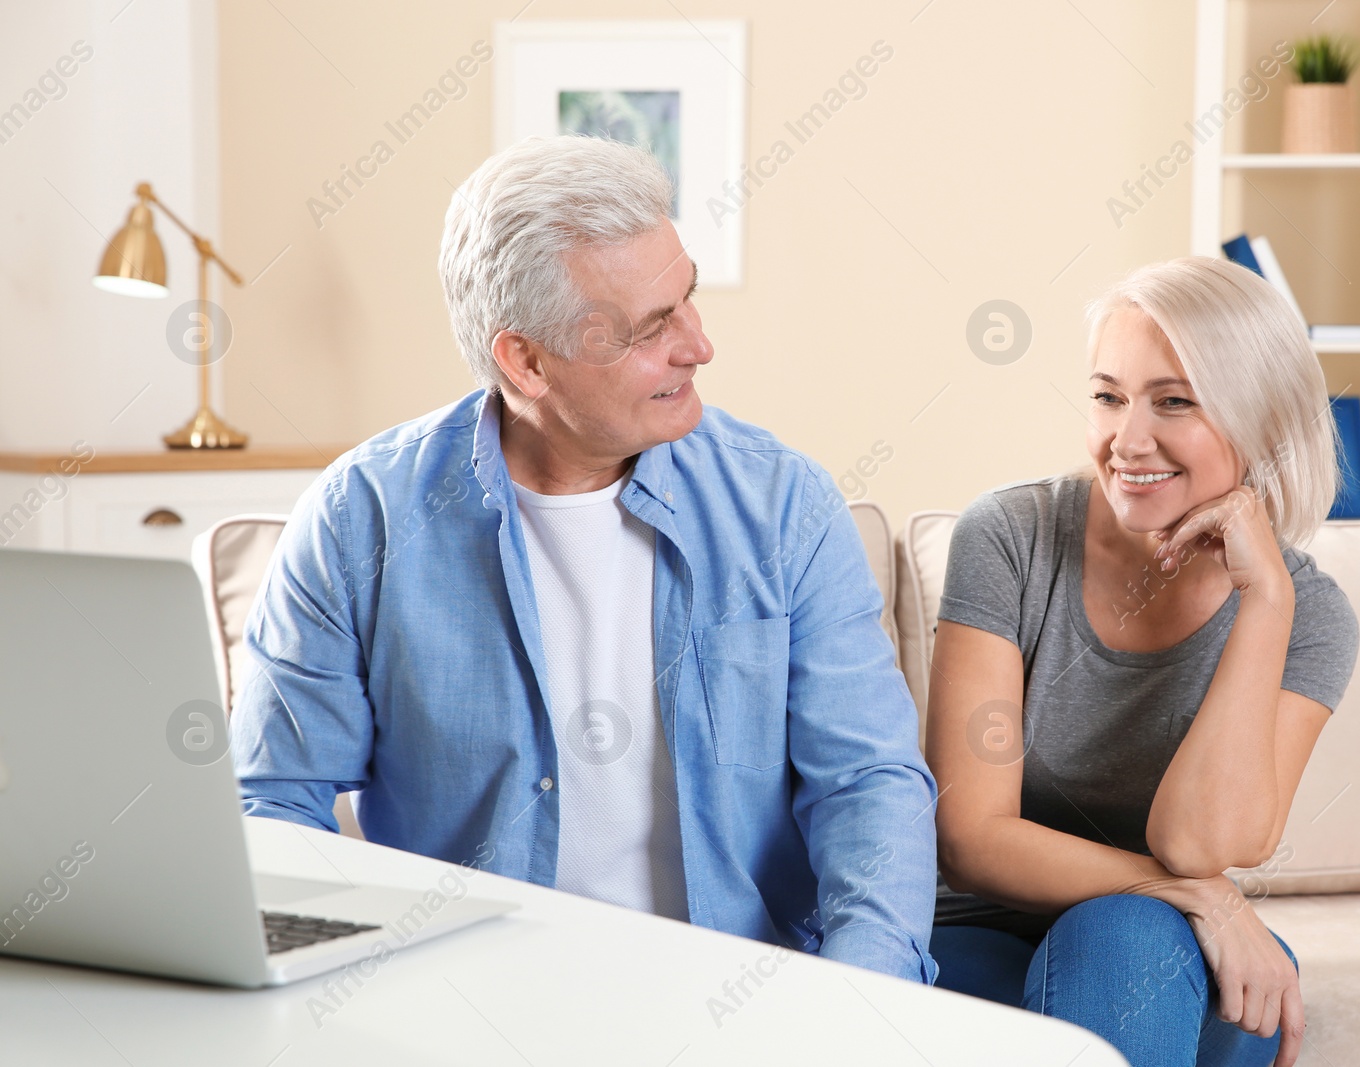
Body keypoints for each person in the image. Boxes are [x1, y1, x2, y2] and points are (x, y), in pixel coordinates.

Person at [230, 135, 938, 984]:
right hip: (463, 1003)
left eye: (687, 300)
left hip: (742, 1001)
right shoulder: (360, 519)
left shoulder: (786, 507)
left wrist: (860, 1006)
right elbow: (275, 803)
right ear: (525, 360)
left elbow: (870, 786)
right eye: (650, 329)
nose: (699, 345)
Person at [925, 257, 1359, 1065]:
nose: (1126, 439)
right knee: (1143, 939)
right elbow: (970, 835)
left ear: (1260, 419)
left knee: (1170, 960)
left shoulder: (1309, 615)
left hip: (1162, 950)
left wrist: (1263, 602)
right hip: (978, 937)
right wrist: (1199, 897)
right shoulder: (1010, 539)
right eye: (1107, 395)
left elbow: (1202, 840)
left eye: (1173, 401)